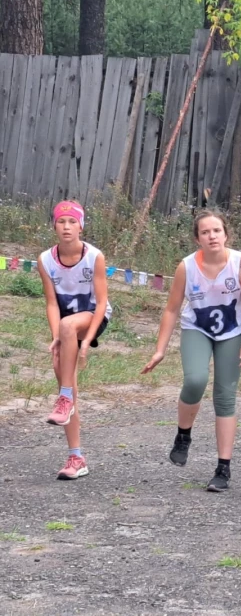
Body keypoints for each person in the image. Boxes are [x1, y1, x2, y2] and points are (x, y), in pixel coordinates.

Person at [141, 210, 241, 493]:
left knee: (225, 396)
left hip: (232, 332)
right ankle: (183, 435)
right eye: (205, 232)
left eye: (216, 231)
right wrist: (160, 350)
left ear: (226, 234)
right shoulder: (187, 267)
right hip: (197, 328)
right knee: (195, 380)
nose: (212, 236)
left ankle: (223, 467)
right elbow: (171, 309)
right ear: (198, 238)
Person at [38, 201, 112, 480]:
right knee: (66, 384)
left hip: (94, 317)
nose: (66, 227)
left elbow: (103, 301)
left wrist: (86, 341)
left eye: (72, 222)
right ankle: (76, 457)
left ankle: (64, 397)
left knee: (70, 327)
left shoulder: (94, 256)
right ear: (54, 226)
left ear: (81, 225)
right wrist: (56, 338)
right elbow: (51, 303)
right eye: (61, 222)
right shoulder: (45, 259)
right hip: (65, 326)